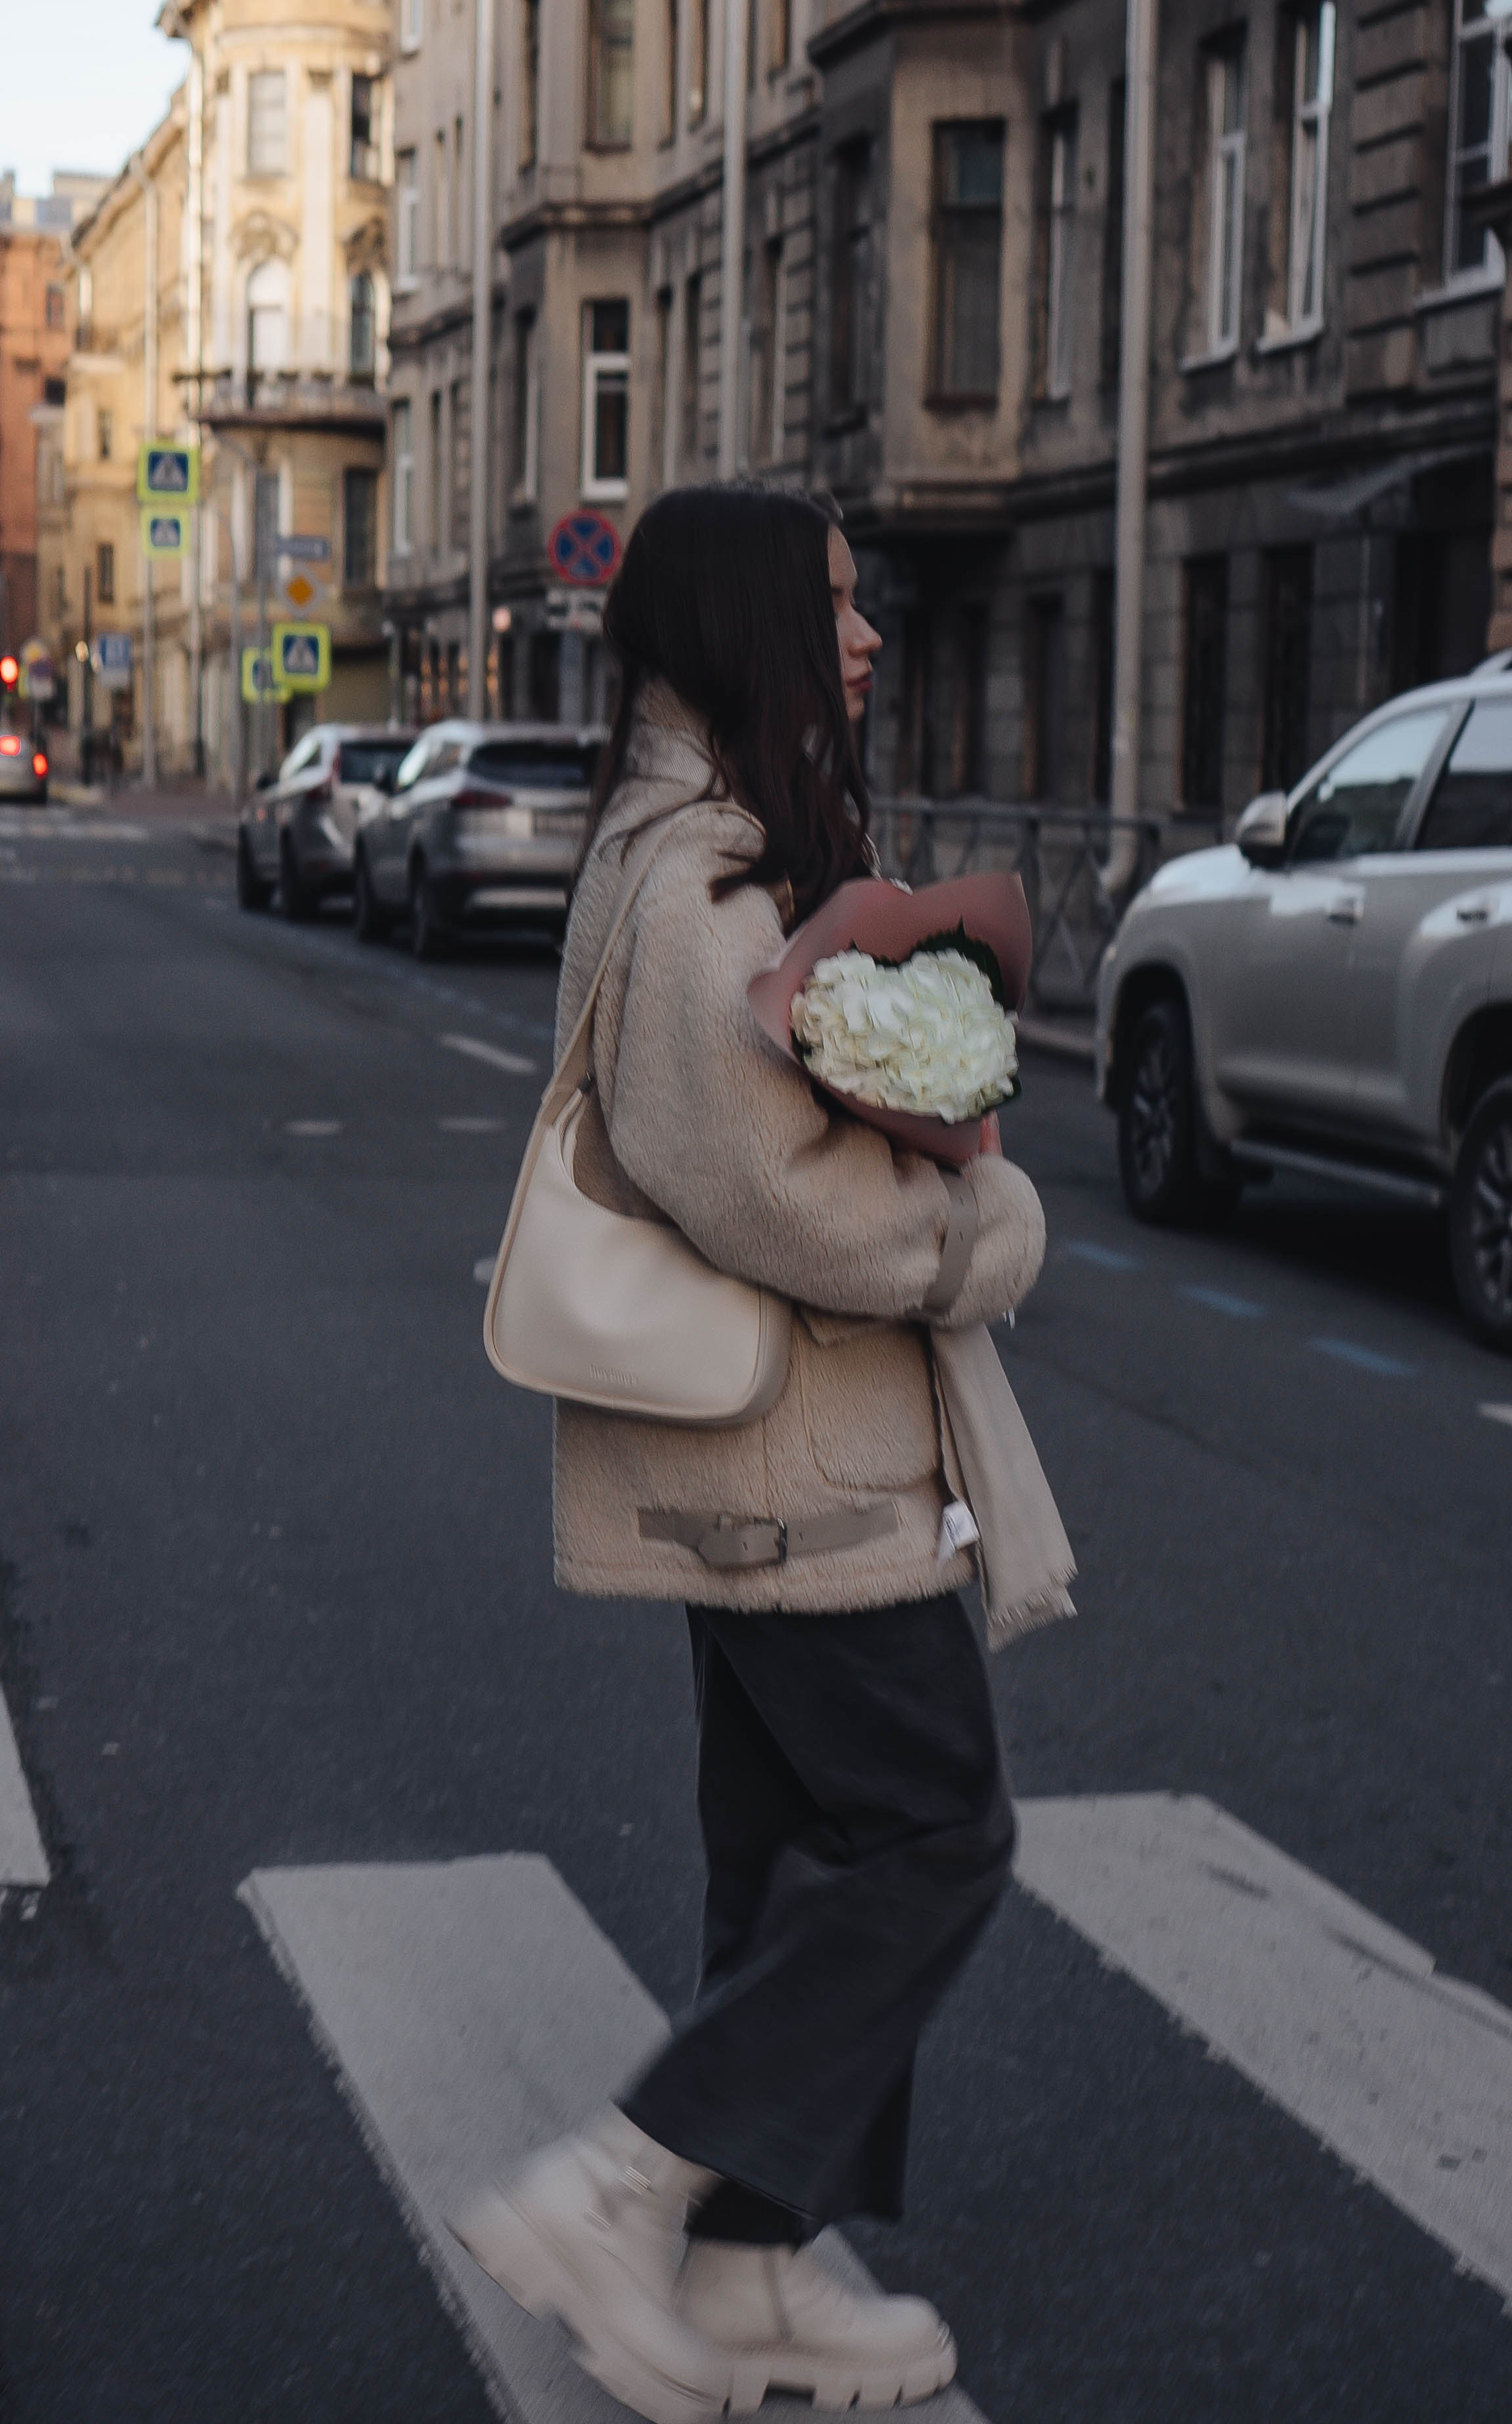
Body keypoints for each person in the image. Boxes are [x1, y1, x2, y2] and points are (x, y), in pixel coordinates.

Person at [452, 484, 1046, 2424]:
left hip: (768, 1471)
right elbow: (766, 1193)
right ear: (749, 632)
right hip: (795, 1480)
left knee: (798, 1855)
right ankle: (619, 2191)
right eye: (837, 609)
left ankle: (749, 2264)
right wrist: (976, 1230)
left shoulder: (702, 846)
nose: (866, 640)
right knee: (936, 1828)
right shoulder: (700, 880)